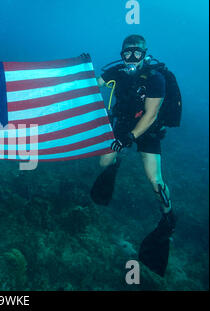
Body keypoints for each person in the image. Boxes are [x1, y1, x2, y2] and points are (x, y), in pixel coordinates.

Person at [92, 35, 177, 276]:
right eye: (127, 53)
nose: (131, 58)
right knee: (104, 161)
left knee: (155, 181)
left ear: (144, 54)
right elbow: (93, 85)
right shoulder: (117, 72)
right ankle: (116, 164)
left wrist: (130, 137)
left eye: (136, 53)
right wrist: (83, 72)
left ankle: (168, 219)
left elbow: (150, 115)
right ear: (121, 53)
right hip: (123, 126)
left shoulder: (155, 78)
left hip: (147, 131)